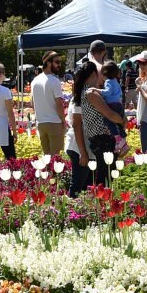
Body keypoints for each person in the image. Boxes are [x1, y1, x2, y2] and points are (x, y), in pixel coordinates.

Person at [67, 62, 127, 192]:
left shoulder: (84, 92)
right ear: (94, 74)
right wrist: (122, 120)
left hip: (99, 139)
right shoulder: (90, 93)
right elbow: (109, 114)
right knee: (105, 178)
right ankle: (102, 205)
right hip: (103, 139)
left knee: (105, 175)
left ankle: (102, 204)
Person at [30, 51, 66, 155]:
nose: (59, 65)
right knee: (56, 157)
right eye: (57, 62)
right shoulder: (54, 81)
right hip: (54, 122)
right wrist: (63, 120)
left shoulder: (35, 81)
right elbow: (59, 104)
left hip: (41, 122)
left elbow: (33, 102)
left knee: (46, 156)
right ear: (49, 63)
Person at [99, 61, 128, 155]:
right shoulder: (115, 81)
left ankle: (119, 139)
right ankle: (123, 143)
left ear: (105, 73)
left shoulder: (108, 81)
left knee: (109, 121)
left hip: (112, 105)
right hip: (118, 104)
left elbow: (107, 92)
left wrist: (96, 90)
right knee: (118, 124)